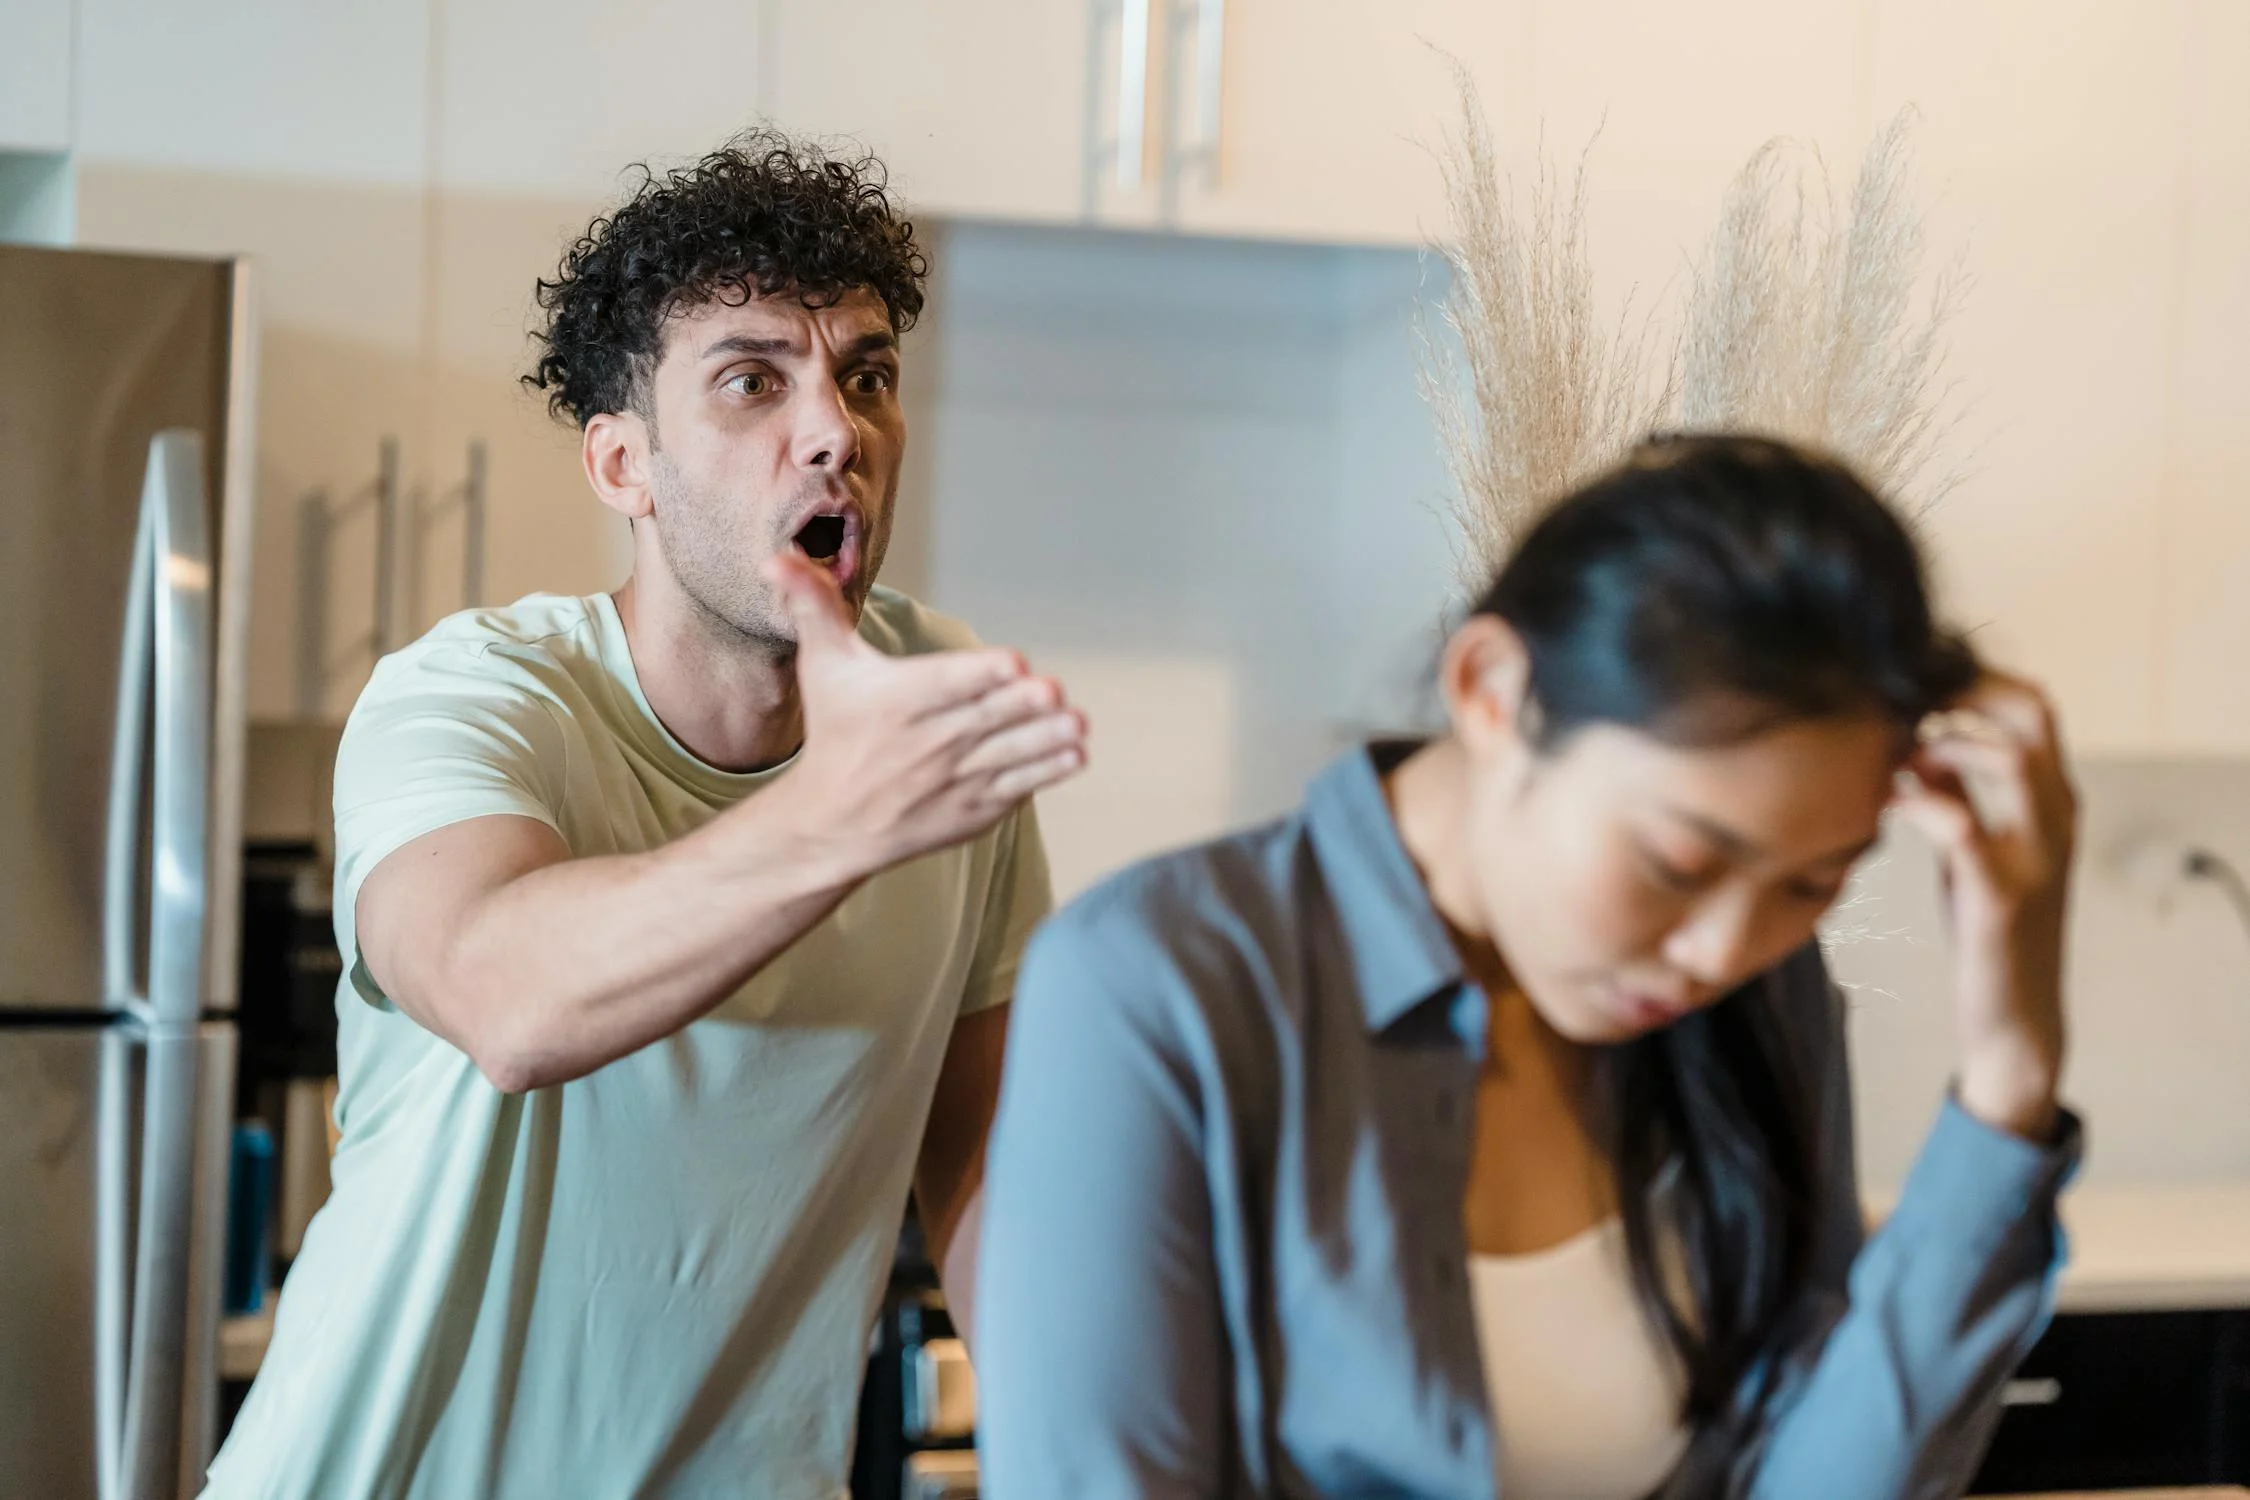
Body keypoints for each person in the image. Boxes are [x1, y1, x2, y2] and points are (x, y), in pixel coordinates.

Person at [205, 131, 1085, 1499]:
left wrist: (1090, 1451)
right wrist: (842, 819)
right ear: (624, 466)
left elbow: (982, 1169)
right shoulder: (473, 696)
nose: (833, 433)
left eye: (866, 379)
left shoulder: (926, 707)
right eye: (752, 381)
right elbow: (506, 996)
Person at [976, 435, 2081, 1500]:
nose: (1721, 952)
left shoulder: (1760, 993)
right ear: (1493, 689)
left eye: (1812, 884)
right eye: (1678, 861)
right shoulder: (1154, 987)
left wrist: (2011, 1069)